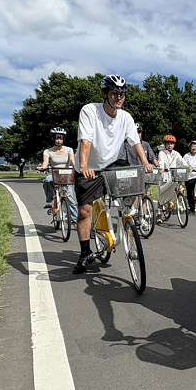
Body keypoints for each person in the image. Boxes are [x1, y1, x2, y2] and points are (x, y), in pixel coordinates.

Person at [74, 74, 154, 274]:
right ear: (105, 94)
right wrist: (84, 165)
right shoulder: (90, 111)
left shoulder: (126, 117)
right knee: (85, 211)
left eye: (122, 94)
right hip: (90, 166)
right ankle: (84, 253)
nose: (119, 97)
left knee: (131, 182)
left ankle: (127, 221)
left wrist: (145, 162)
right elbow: (86, 140)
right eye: (115, 93)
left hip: (111, 164)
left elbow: (135, 142)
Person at [36, 127, 78, 224]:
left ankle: (75, 220)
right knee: (47, 180)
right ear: (53, 139)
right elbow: (45, 163)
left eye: (60, 138)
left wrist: (77, 167)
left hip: (67, 175)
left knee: (72, 199)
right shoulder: (47, 151)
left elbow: (72, 161)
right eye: (56, 138)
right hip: (55, 175)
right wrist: (42, 167)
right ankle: (50, 200)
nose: (58, 140)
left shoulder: (69, 150)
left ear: (63, 139)